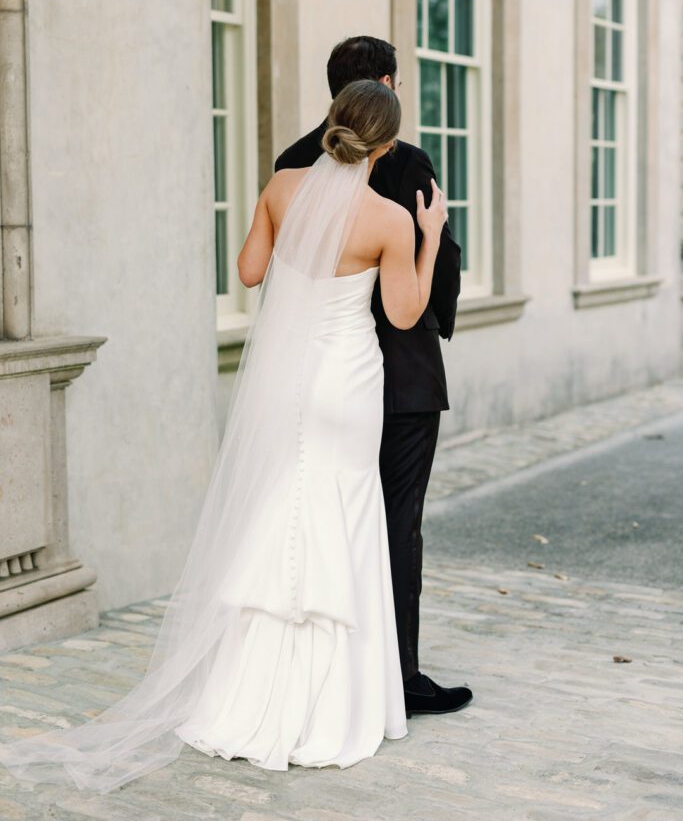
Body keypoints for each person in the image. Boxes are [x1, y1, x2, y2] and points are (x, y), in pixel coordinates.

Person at [0, 80, 447, 793]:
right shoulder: (389, 218)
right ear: (386, 145)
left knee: (279, 507)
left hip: (285, 378)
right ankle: (335, 704)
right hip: (346, 385)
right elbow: (402, 314)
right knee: (345, 513)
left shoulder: (280, 186)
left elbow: (246, 272)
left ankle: (249, 694)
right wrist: (427, 242)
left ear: (333, 125)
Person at [275, 36, 472, 717]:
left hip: (311, 369)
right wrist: (439, 239)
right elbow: (434, 269)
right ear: (385, 86)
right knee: (395, 523)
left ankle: (308, 663)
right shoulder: (408, 160)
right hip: (400, 372)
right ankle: (400, 674)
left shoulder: (291, 163)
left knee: (311, 511)